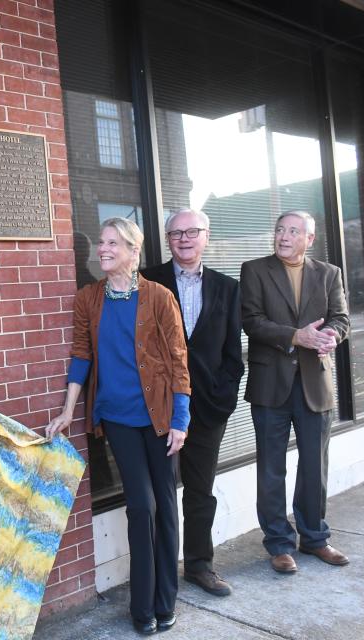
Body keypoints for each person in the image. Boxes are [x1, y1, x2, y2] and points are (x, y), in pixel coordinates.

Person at [47, 217, 190, 636]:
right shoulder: (88, 299)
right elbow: (81, 355)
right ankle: (141, 606)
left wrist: (180, 420)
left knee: (165, 506)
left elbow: (179, 362)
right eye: (102, 243)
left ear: (132, 251)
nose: (103, 249)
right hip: (117, 416)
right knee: (142, 506)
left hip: (161, 417)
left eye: (113, 243)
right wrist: (70, 409)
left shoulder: (160, 298)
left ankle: (167, 599)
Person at [240, 210, 350, 574]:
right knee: (271, 468)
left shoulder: (329, 274)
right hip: (271, 384)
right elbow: (252, 322)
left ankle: (315, 538)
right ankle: (278, 543)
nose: (283, 237)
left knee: (314, 466)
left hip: (314, 383)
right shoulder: (255, 270)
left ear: (309, 239)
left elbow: (341, 318)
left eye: (292, 231)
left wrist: (331, 335)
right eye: (279, 230)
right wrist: (294, 336)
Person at [141, 208, 244, 597]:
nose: (184, 239)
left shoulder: (227, 288)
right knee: (157, 491)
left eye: (192, 232)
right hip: (158, 408)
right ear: (167, 240)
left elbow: (234, 354)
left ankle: (200, 565)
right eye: (176, 233)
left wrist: (224, 398)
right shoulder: (147, 281)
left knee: (200, 489)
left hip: (207, 409)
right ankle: (158, 569)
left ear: (206, 235)